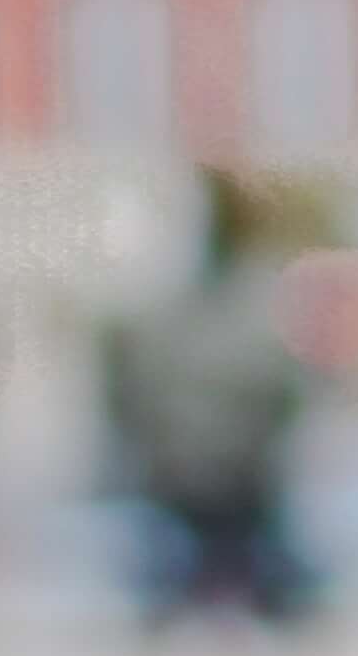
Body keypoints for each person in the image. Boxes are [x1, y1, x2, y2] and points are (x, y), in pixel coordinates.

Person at [107, 170, 313, 623]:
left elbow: (278, 397)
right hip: (186, 494)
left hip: (240, 495)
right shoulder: (167, 314)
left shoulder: (256, 307)